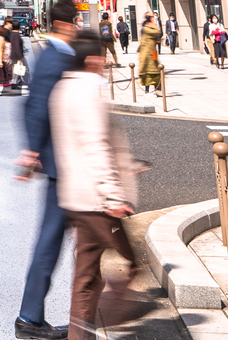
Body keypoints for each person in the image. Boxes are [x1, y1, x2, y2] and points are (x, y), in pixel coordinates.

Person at [52, 34, 143, 340]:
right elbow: (95, 146)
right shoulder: (87, 92)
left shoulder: (62, 89)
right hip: (97, 200)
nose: (106, 64)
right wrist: (113, 195)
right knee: (131, 263)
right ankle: (112, 315)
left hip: (76, 196)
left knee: (86, 276)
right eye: (103, 58)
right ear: (92, 60)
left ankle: (80, 335)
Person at [15, 0, 81, 339]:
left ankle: (32, 316)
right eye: (77, 22)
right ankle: (30, 318)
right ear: (68, 24)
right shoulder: (58, 57)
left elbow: (32, 105)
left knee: (56, 239)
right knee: (55, 240)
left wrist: (32, 149)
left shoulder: (52, 54)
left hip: (62, 161)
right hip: (65, 164)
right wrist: (32, 151)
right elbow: (35, 105)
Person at [137, 12, 162, 95]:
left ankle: (154, 90)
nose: (153, 17)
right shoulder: (147, 28)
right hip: (148, 53)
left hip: (152, 51)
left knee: (155, 71)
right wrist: (154, 24)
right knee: (151, 72)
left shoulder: (146, 27)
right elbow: (156, 32)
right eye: (152, 16)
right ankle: (150, 90)